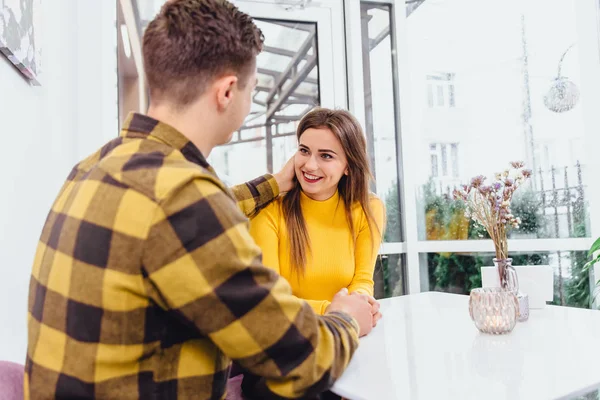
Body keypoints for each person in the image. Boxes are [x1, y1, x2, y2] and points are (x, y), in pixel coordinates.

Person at [24, 1, 375, 399]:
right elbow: (303, 356)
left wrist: (274, 184)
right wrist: (346, 319)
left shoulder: (97, 166)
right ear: (227, 91)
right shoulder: (184, 198)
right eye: (252, 88)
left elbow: (199, 210)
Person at [249, 108, 385, 317]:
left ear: (348, 166)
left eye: (326, 156)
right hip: (291, 336)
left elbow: (363, 280)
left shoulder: (369, 208)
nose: (310, 165)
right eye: (304, 151)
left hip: (347, 330)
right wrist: (333, 310)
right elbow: (270, 300)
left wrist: (362, 302)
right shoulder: (269, 211)